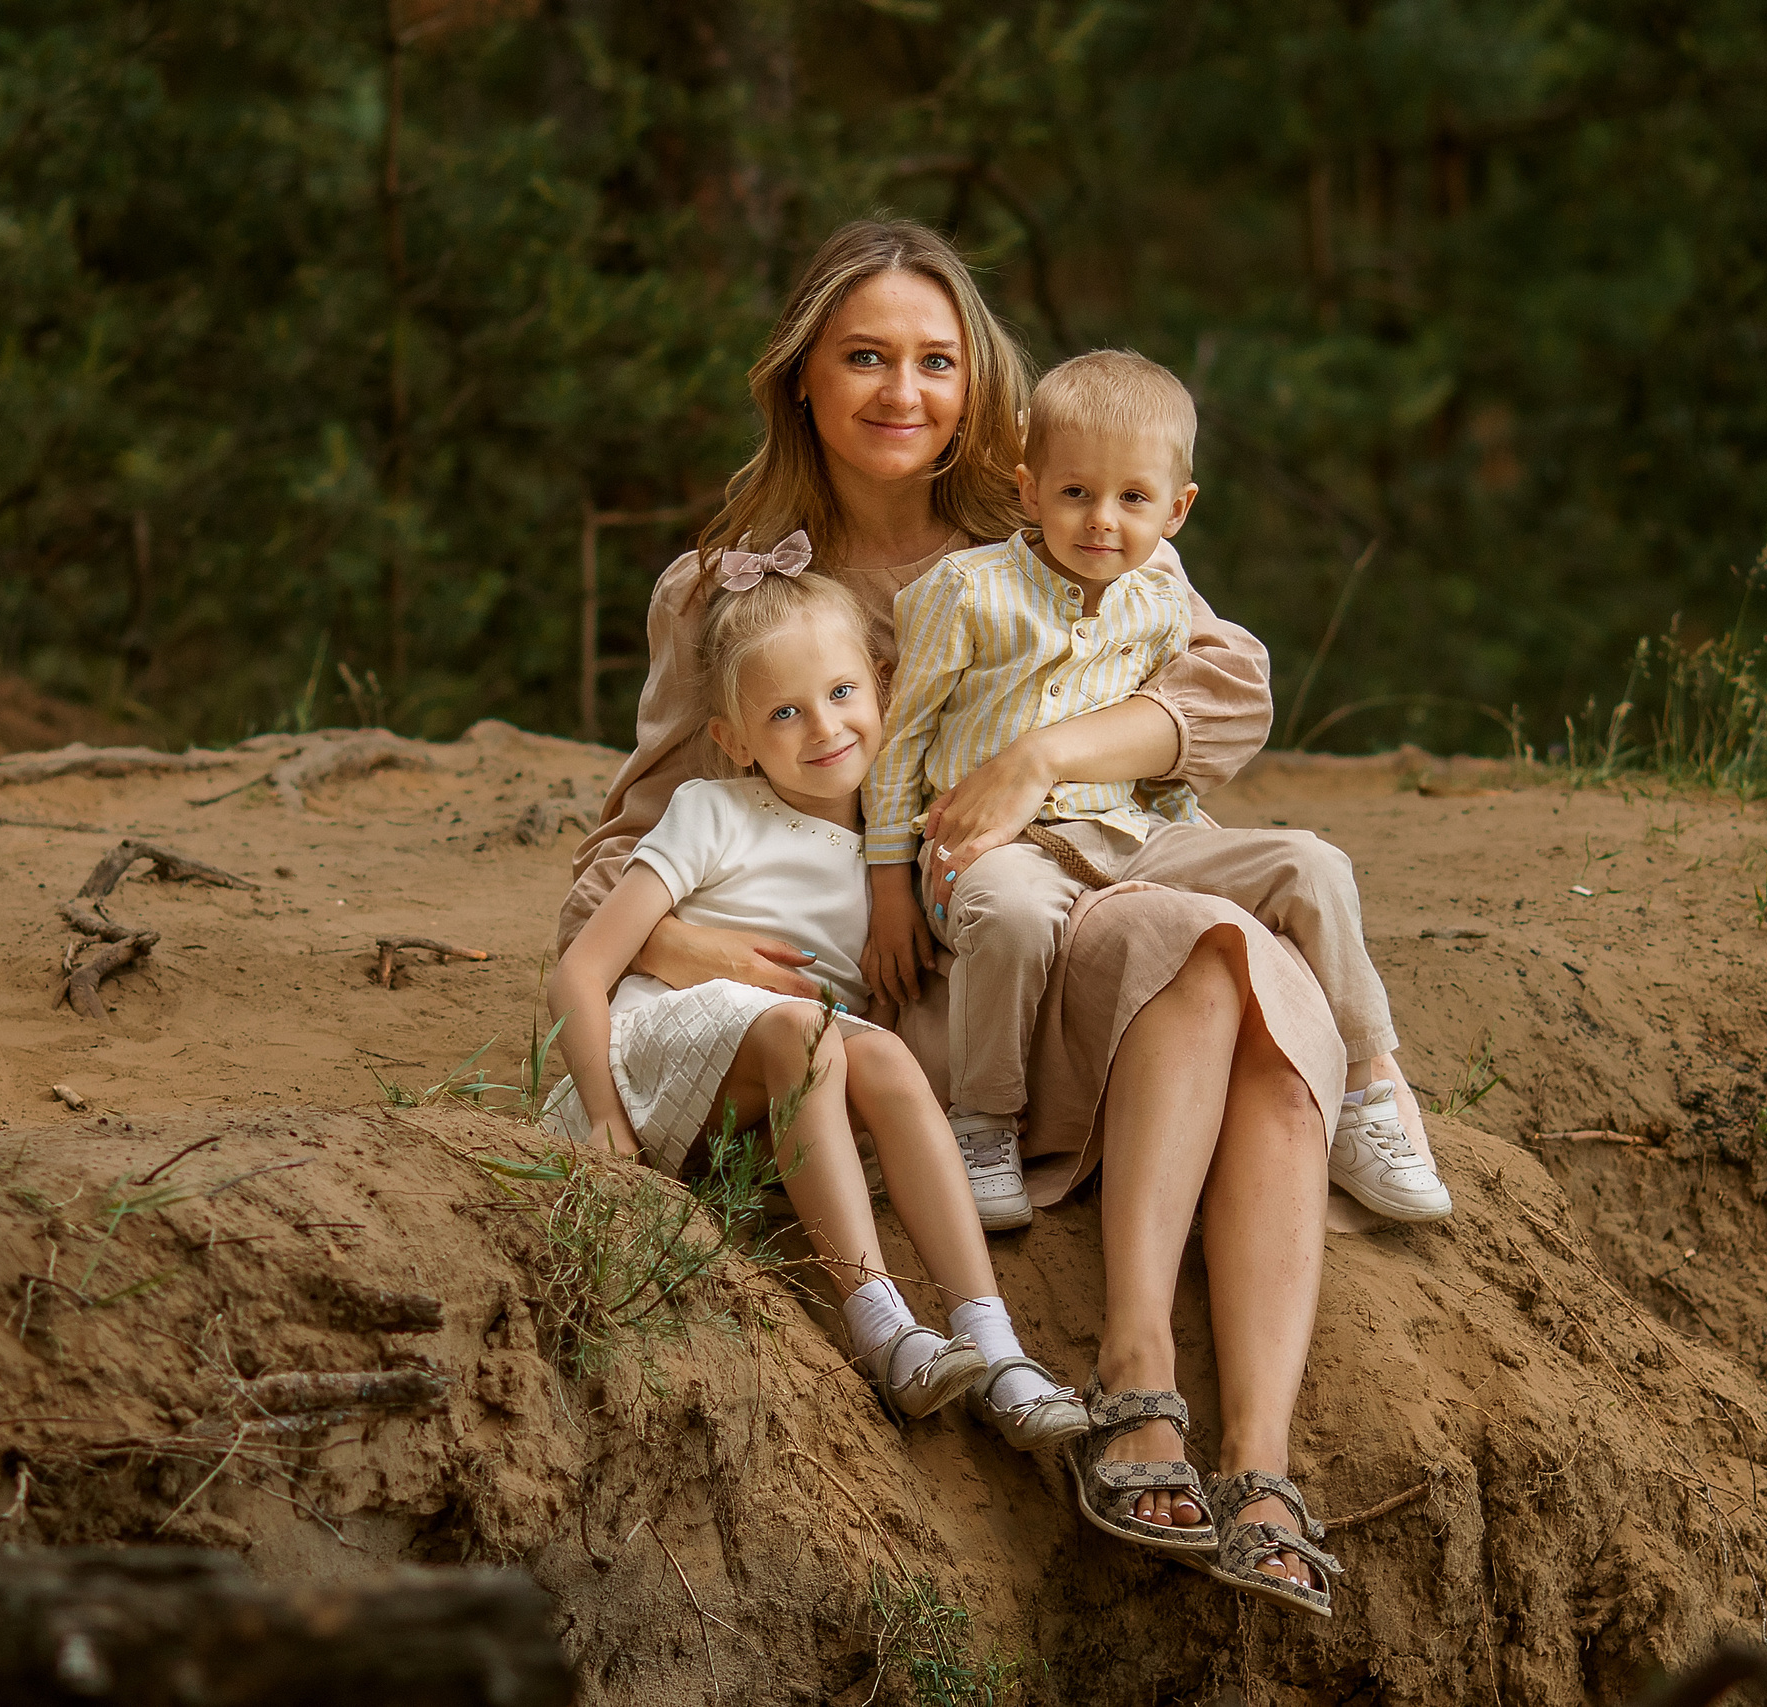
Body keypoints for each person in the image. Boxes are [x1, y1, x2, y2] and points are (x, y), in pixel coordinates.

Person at [559, 217, 1389, 1612]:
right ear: (803, 380)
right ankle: (1136, 1385)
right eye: (865, 357)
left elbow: (1230, 690)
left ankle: (1254, 1453)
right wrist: (678, 940)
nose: (902, 391)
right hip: (922, 991)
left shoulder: (1048, 538)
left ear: (974, 383)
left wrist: (1045, 755)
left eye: (935, 361)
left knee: (1247, 961)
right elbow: (631, 847)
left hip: (1062, 915)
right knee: (1199, 950)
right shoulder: (726, 590)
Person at [861, 349, 1451, 1233]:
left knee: (1313, 862)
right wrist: (888, 885)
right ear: (1028, 490)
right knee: (1010, 917)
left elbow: (1211, 712)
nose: (1102, 521)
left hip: (1142, 832)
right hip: (1005, 849)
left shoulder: (1164, 598)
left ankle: (1368, 1094)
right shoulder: (965, 591)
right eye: (1074, 494)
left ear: (1177, 509)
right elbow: (902, 737)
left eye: (1133, 499)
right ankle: (984, 1123)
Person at [543, 562, 1089, 1450]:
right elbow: (579, 970)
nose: (825, 726)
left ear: (882, 688)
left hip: (782, 1092)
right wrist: (604, 1117)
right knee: (813, 1032)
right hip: (653, 1064)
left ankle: (993, 1344)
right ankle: (881, 1325)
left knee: (885, 1058)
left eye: (841, 692)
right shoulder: (713, 810)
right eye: (785, 712)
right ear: (734, 736)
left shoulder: (907, 838)